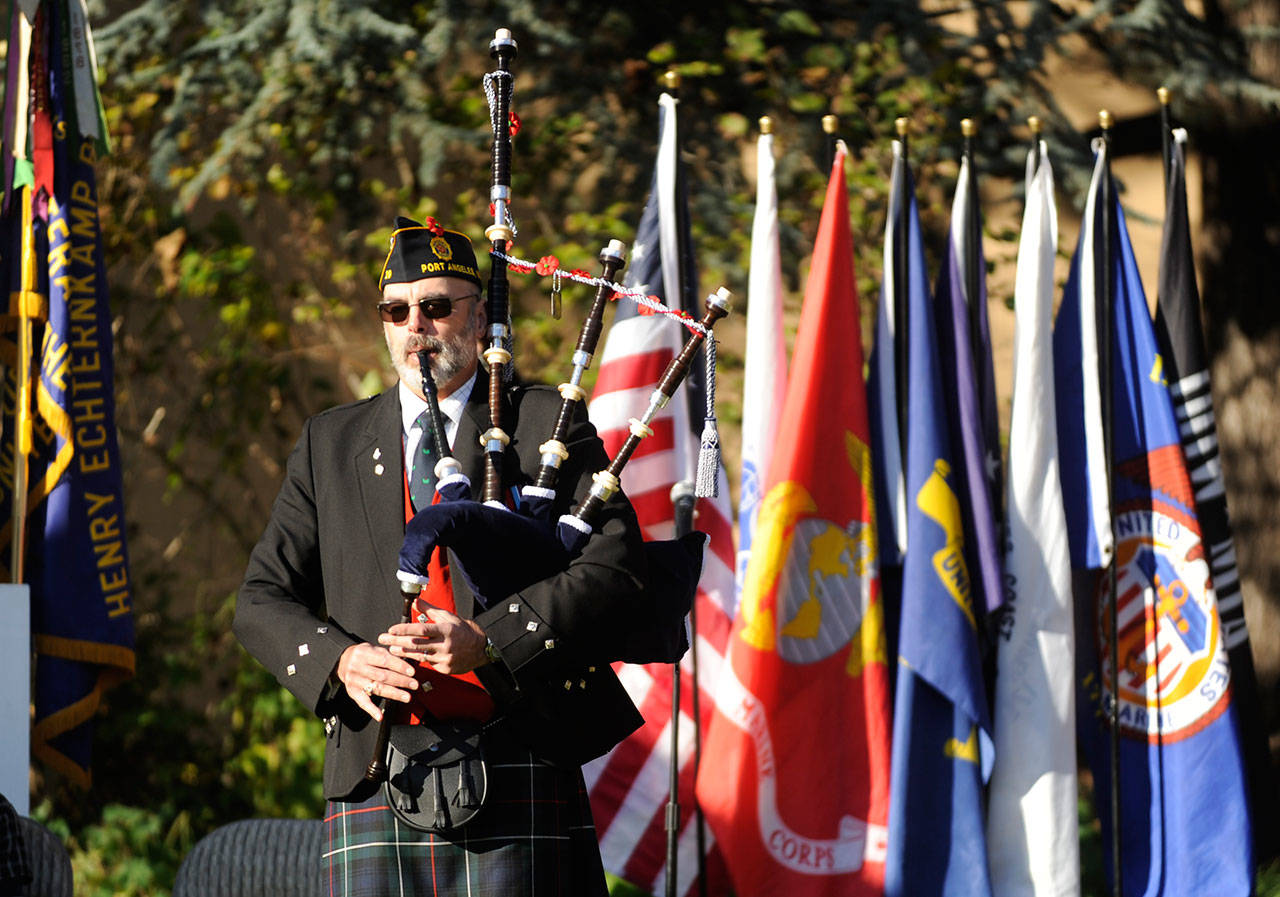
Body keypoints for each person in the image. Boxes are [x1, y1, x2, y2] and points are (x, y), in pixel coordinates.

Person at [234, 216, 651, 896]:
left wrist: (492, 639)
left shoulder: (544, 422)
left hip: (518, 750)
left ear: (478, 312)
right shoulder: (330, 442)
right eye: (396, 311)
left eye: (435, 306)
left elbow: (614, 570)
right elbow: (260, 600)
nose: (415, 325)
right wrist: (341, 659)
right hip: (381, 762)